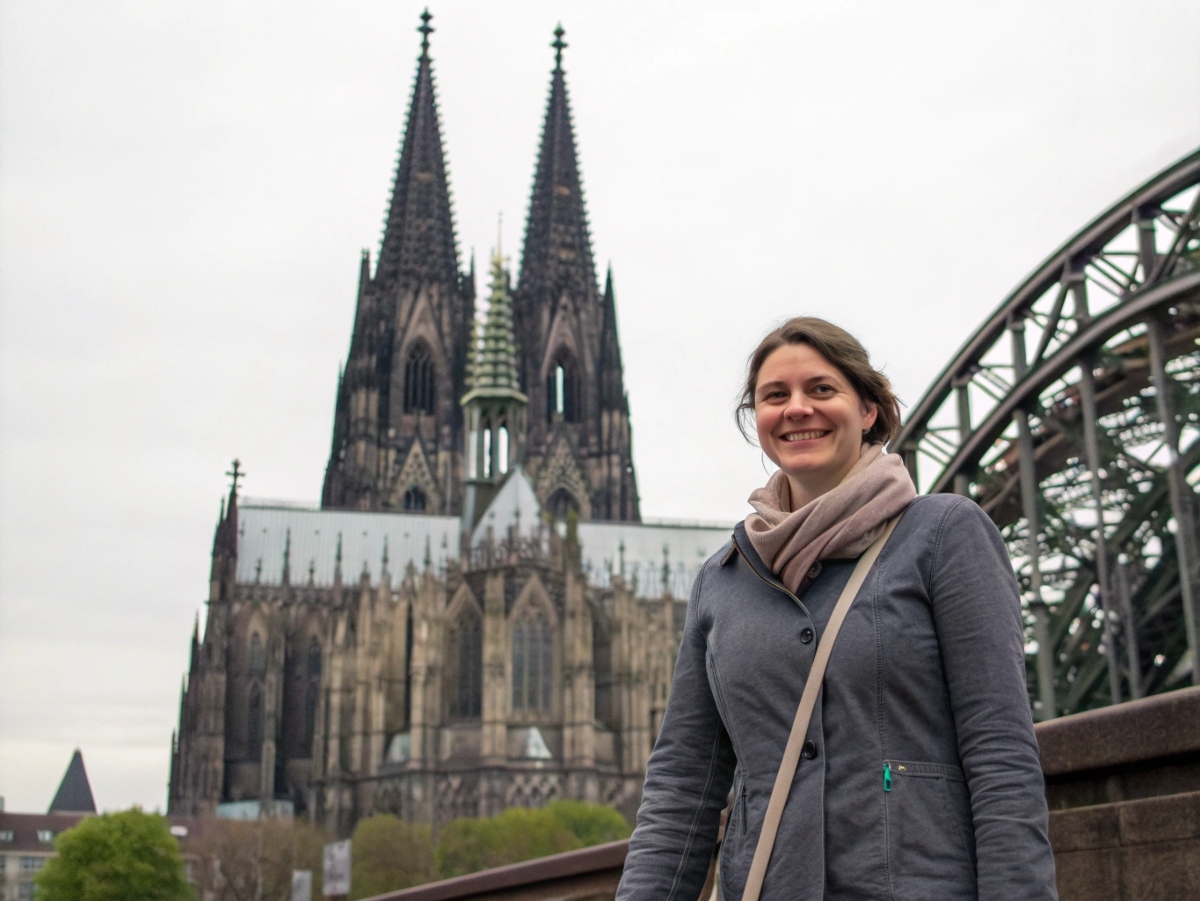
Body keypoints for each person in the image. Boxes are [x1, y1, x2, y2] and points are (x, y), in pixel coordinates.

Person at [616, 317, 1057, 900]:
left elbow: (1000, 753)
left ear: (870, 409)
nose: (797, 408)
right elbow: (680, 787)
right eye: (775, 396)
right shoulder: (724, 579)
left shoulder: (943, 535)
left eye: (822, 390)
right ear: (758, 420)